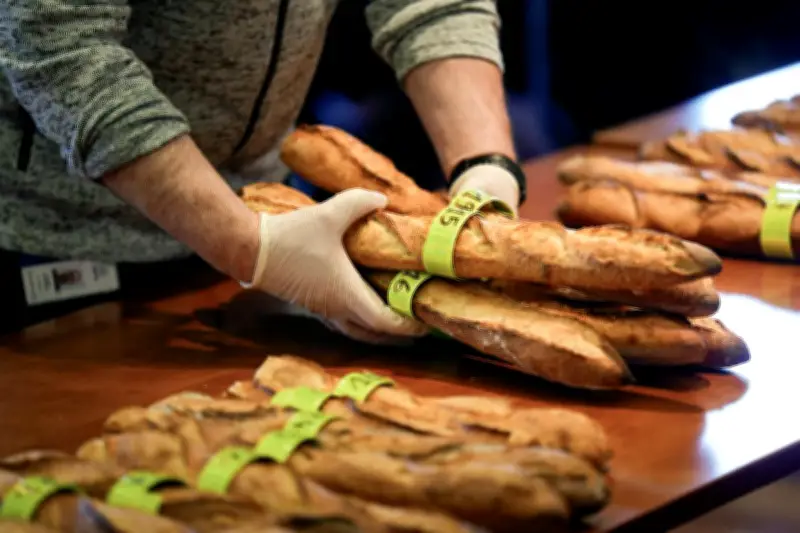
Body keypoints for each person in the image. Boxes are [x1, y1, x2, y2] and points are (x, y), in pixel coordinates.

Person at [0, 0, 526, 342]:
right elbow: (61, 48)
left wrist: (486, 165)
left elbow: (430, 6)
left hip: (251, 224)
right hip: (50, 241)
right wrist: (254, 249)